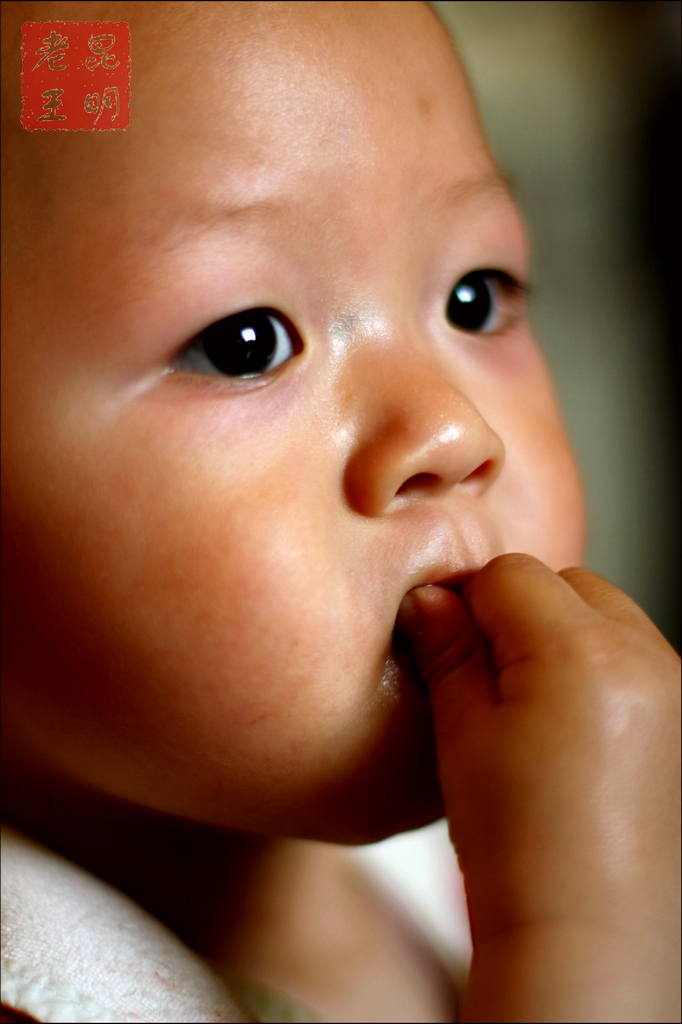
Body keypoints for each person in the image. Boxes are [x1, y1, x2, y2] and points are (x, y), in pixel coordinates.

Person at [1, 2, 679, 1021]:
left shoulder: (481, 846)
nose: (455, 434)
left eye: (473, 297)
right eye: (244, 341)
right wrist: (594, 957)